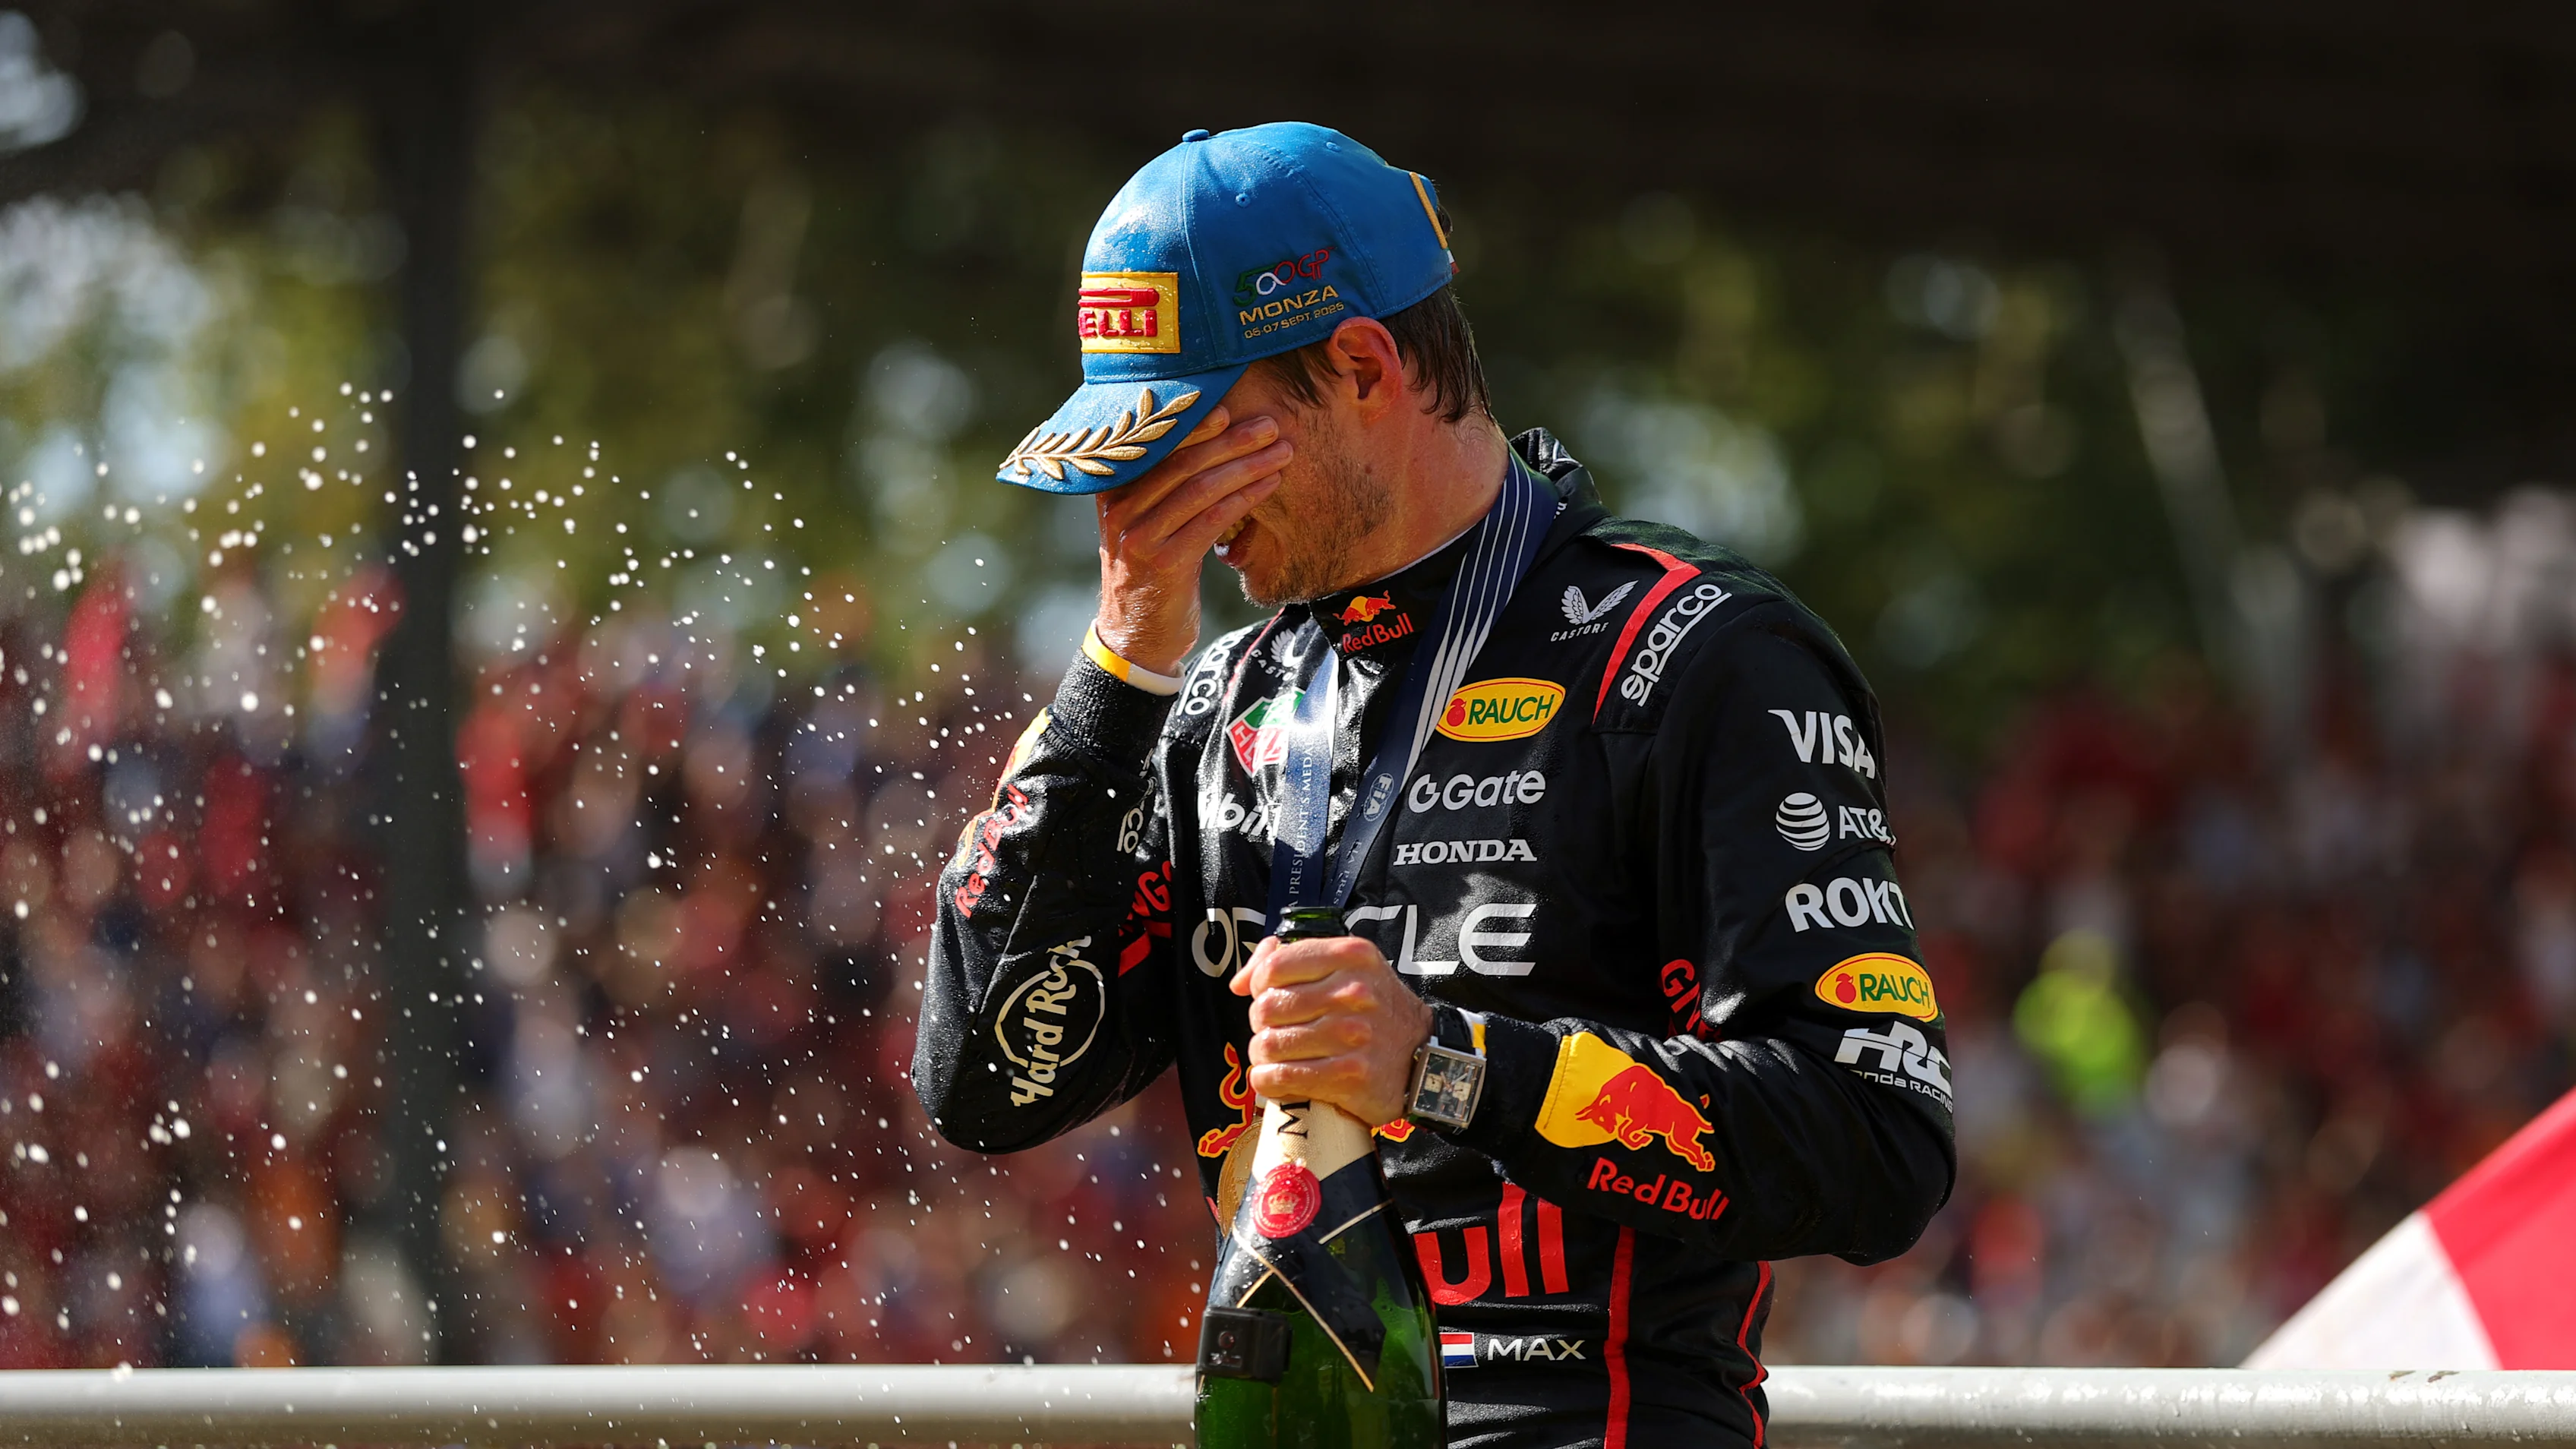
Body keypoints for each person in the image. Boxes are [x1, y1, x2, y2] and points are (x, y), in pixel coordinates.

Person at [915, 122, 1954, 1448]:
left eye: (1193, 440)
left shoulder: (1697, 657)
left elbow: (1878, 1146)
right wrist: (1118, 670)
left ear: (1360, 366)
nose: (1154, 502)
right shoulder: (1208, 707)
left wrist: (1448, 1068)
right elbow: (987, 1089)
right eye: (1130, 456)